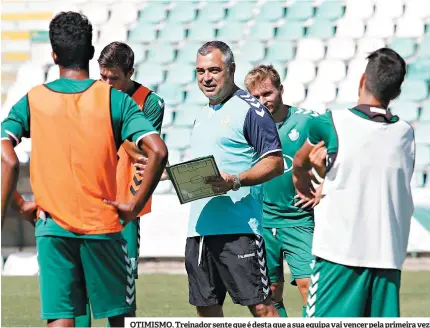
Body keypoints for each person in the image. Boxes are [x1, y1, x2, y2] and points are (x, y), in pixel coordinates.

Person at [1, 11, 168, 327]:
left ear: (53, 54)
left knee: (63, 319)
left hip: (52, 225)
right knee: (118, 316)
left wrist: (19, 204)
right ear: (91, 53)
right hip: (102, 223)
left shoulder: (34, 99)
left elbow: (7, 157)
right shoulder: (114, 99)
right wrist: (132, 206)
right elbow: (157, 150)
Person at [293, 48, 415, 317]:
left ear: (362, 80)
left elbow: (299, 162)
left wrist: (307, 184)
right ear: (396, 93)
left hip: (340, 255)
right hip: (388, 257)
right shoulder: (406, 133)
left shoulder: (331, 122)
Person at [185, 40, 284, 317]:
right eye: (200, 71)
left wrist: (236, 180)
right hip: (200, 229)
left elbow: (275, 163)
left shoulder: (252, 110)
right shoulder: (201, 115)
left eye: (214, 70)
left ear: (231, 69)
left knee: (263, 308)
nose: (206, 78)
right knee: (205, 308)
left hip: (239, 230)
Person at [72, 41, 166, 327]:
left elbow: (145, 153)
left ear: (130, 73)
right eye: (103, 77)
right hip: (88, 200)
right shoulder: (88, 97)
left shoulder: (149, 102)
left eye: (114, 78)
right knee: (79, 283)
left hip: (126, 202)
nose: (107, 83)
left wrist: (111, 131)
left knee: (120, 288)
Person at [245, 65, 321, 317]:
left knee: (310, 288)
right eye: (255, 97)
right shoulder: (247, 127)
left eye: (267, 93)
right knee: (271, 292)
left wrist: (322, 187)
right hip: (262, 221)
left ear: (280, 89)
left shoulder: (307, 120)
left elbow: (336, 154)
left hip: (299, 219)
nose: (262, 101)